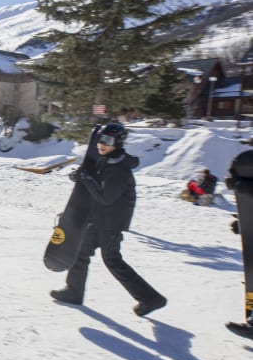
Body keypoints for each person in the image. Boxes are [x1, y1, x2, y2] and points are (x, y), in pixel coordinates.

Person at [50, 120, 167, 317]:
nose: (101, 144)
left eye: (107, 140)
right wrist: (81, 178)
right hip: (100, 220)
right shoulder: (109, 161)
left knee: (112, 260)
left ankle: (150, 298)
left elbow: (105, 197)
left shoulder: (119, 168)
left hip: (111, 224)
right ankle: (73, 292)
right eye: (100, 139)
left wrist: (86, 179)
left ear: (118, 143)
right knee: (81, 253)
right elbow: (95, 187)